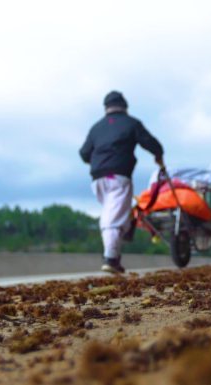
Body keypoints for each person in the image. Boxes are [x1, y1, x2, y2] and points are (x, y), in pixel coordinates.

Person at [80, 90, 164, 274]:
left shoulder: (96, 128)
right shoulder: (131, 123)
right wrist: (159, 155)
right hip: (118, 175)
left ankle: (115, 255)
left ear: (106, 108)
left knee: (116, 213)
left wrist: (96, 161)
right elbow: (149, 142)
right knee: (113, 217)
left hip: (98, 178)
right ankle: (110, 258)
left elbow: (84, 153)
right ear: (124, 106)